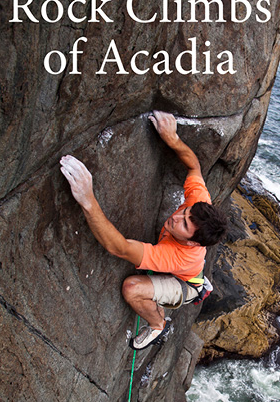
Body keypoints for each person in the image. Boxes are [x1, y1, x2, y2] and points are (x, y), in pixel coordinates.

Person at [59, 111, 227, 350]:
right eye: (185, 212)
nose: (177, 217)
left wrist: (87, 199)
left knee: (132, 289)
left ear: (192, 242)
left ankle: (158, 325)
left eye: (185, 224)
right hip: (188, 267)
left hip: (185, 283)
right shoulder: (198, 205)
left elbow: (118, 247)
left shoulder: (177, 255)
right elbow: (194, 167)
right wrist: (172, 138)